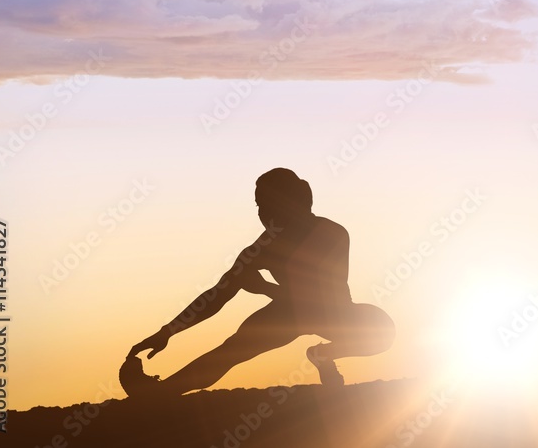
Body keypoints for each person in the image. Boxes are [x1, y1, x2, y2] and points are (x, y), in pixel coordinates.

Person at [127, 168, 395, 394]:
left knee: (383, 332)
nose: (263, 213)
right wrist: (168, 331)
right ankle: (157, 394)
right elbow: (217, 295)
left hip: (336, 314)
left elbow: (321, 301)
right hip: (287, 314)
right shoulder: (262, 249)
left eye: (270, 204)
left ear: (296, 202)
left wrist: (265, 289)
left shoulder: (331, 233)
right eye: (260, 206)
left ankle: (324, 355)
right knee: (229, 353)